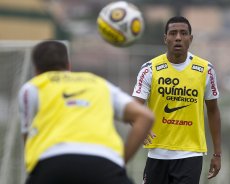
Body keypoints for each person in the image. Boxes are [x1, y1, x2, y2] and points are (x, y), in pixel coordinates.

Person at [18, 40, 154, 184]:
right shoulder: (99, 83)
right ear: (68, 66)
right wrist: (120, 162)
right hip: (105, 164)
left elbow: (28, 139)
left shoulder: (33, 87)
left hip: (52, 163)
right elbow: (145, 116)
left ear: (36, 70)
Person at [132, 16, 221, 184]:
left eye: (183, 33)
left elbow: (213, 111)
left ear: (190, 38)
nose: (178, 37)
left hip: (190, 155)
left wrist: (217, 153)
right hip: (157, 153)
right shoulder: (150, 69)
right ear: (165, 38)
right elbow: (133, 108)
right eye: (173, 33)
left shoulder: (205, 70)